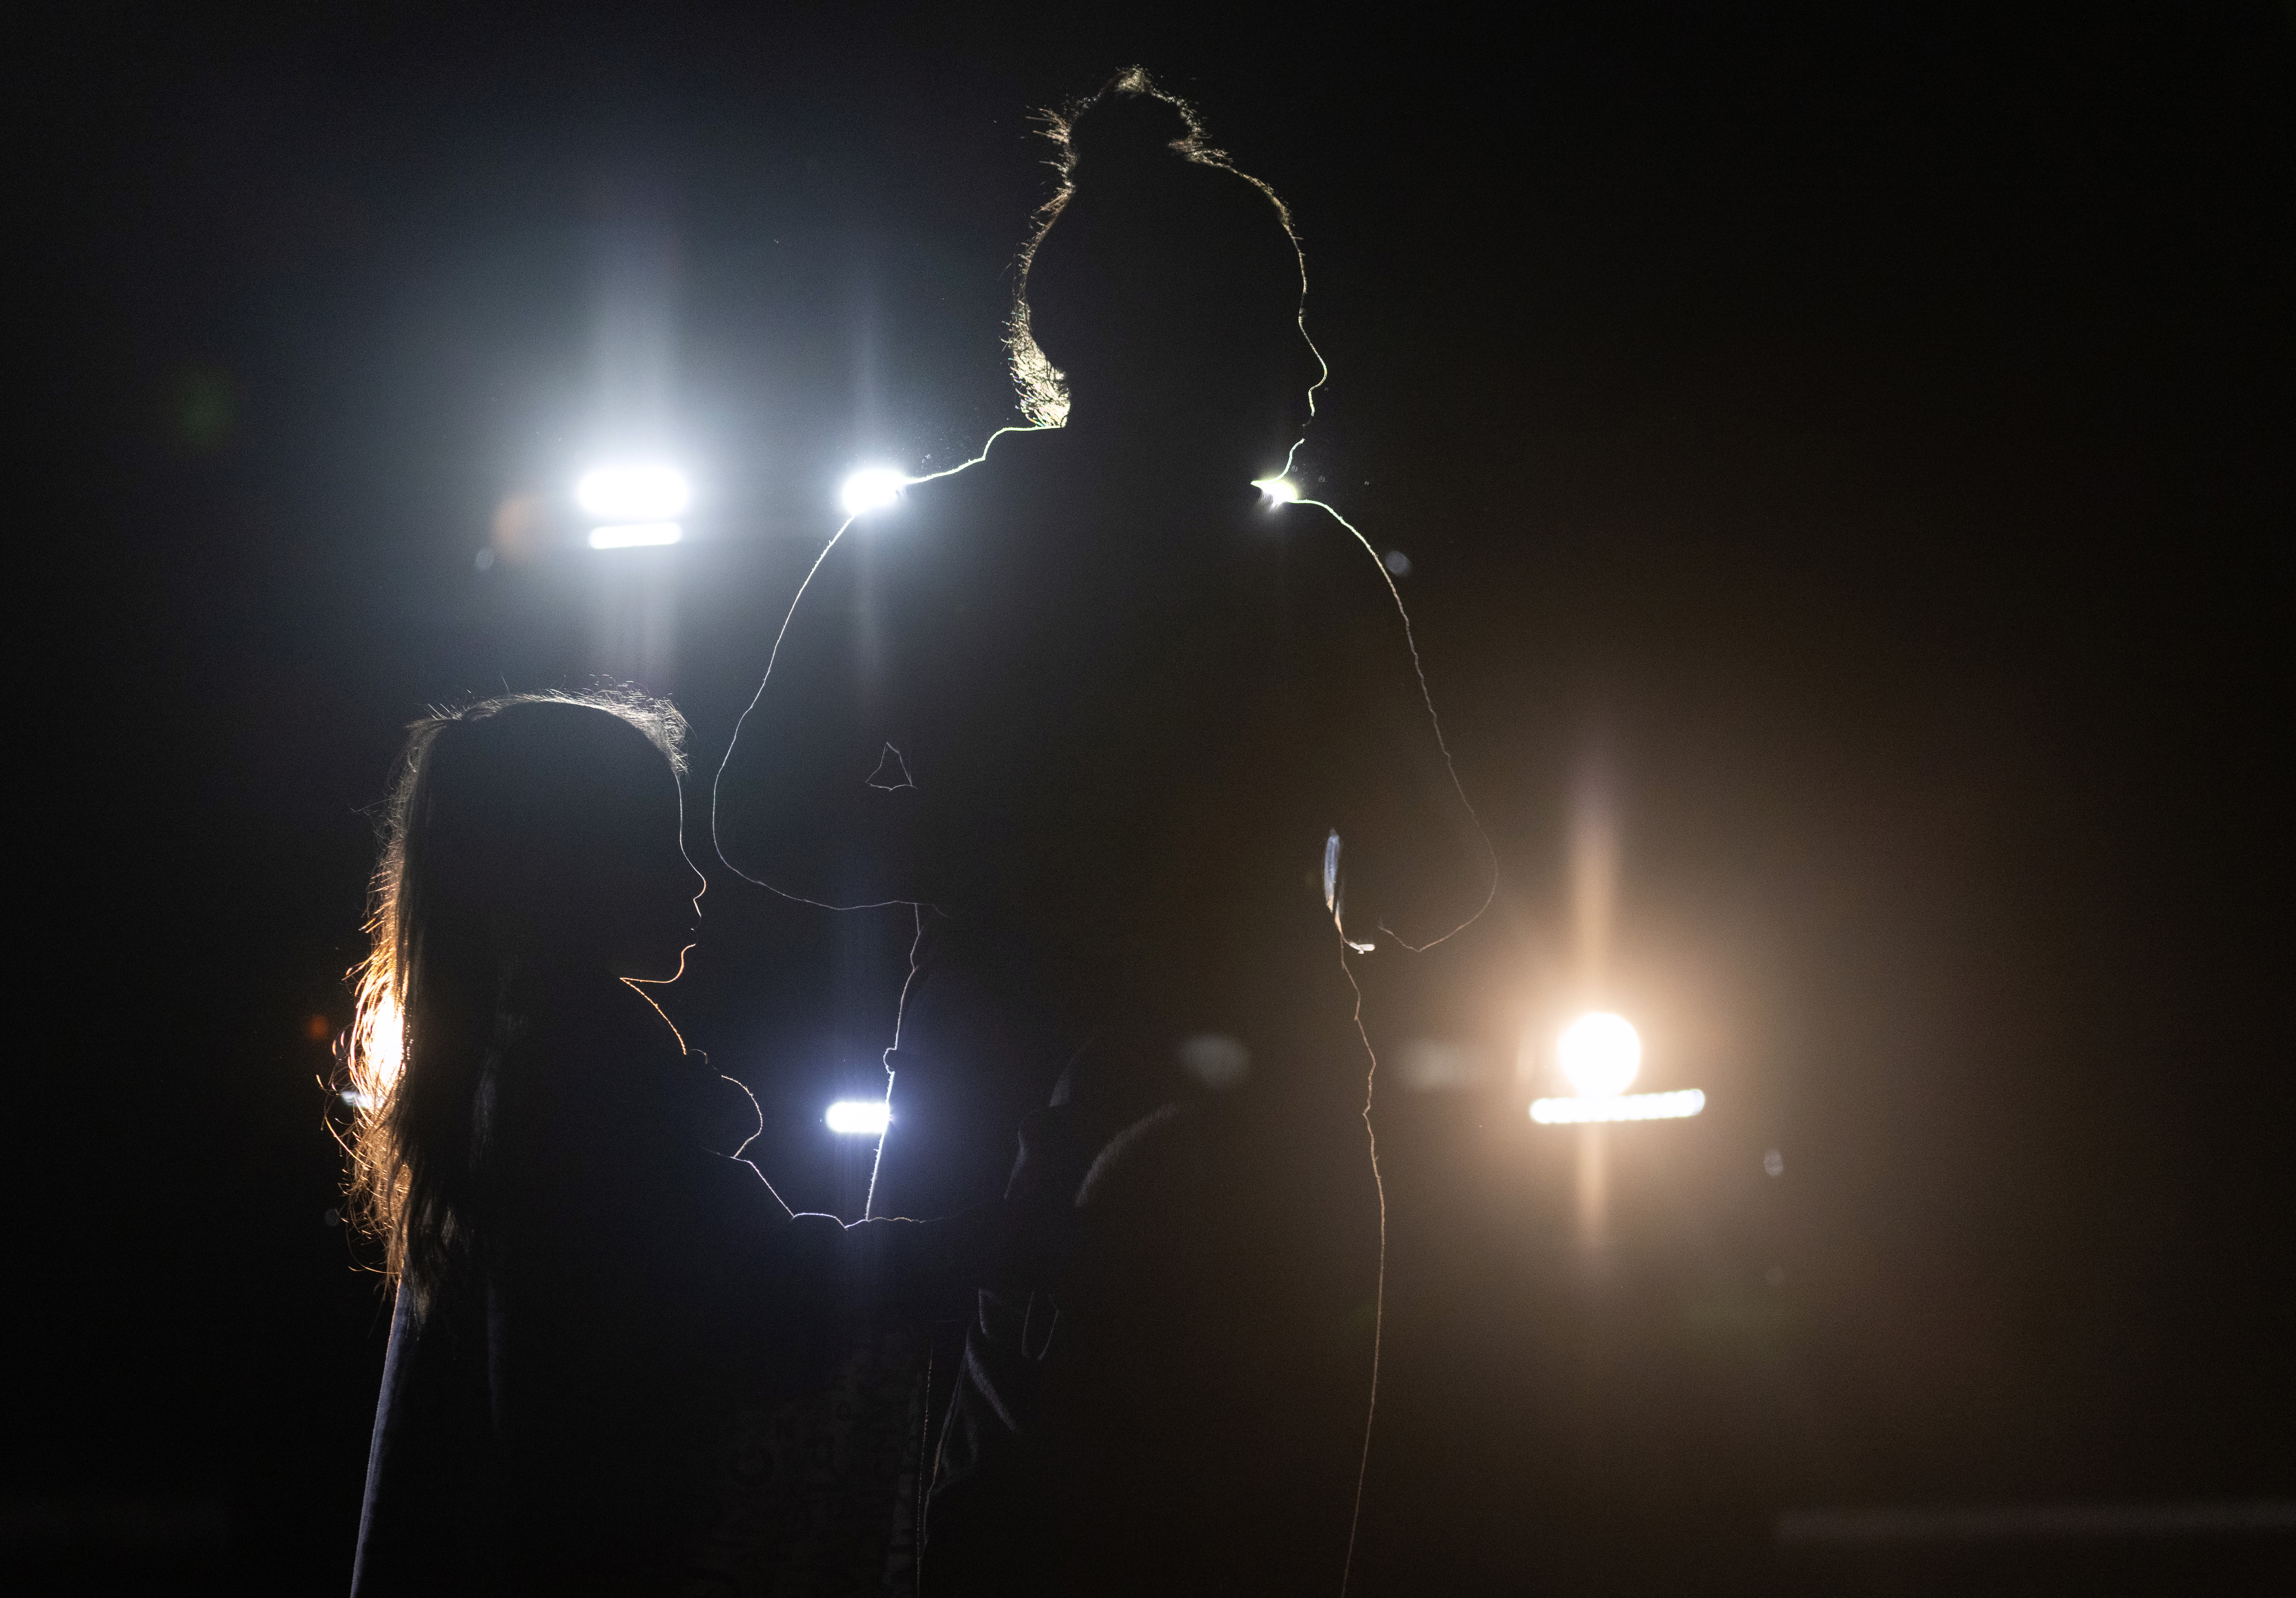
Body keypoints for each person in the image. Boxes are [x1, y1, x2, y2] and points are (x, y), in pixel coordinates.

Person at [716, 71, 1493, 1594]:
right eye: (1284, 325)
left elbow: (754, 818)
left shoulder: (915, 547)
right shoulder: (1308, 574)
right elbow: (1447, 884)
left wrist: (958, 851)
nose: (1317, 372)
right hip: (1263, 1141)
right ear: (1200, 345)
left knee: (945, 1536)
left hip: (972, 1101)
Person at [343, 691, 1039, 1597]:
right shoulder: (585, 1050)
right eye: (656, 843)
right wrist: (998, 1235)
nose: (697, 876)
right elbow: (759, 1294)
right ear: (565, 870)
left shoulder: (494, 1054)